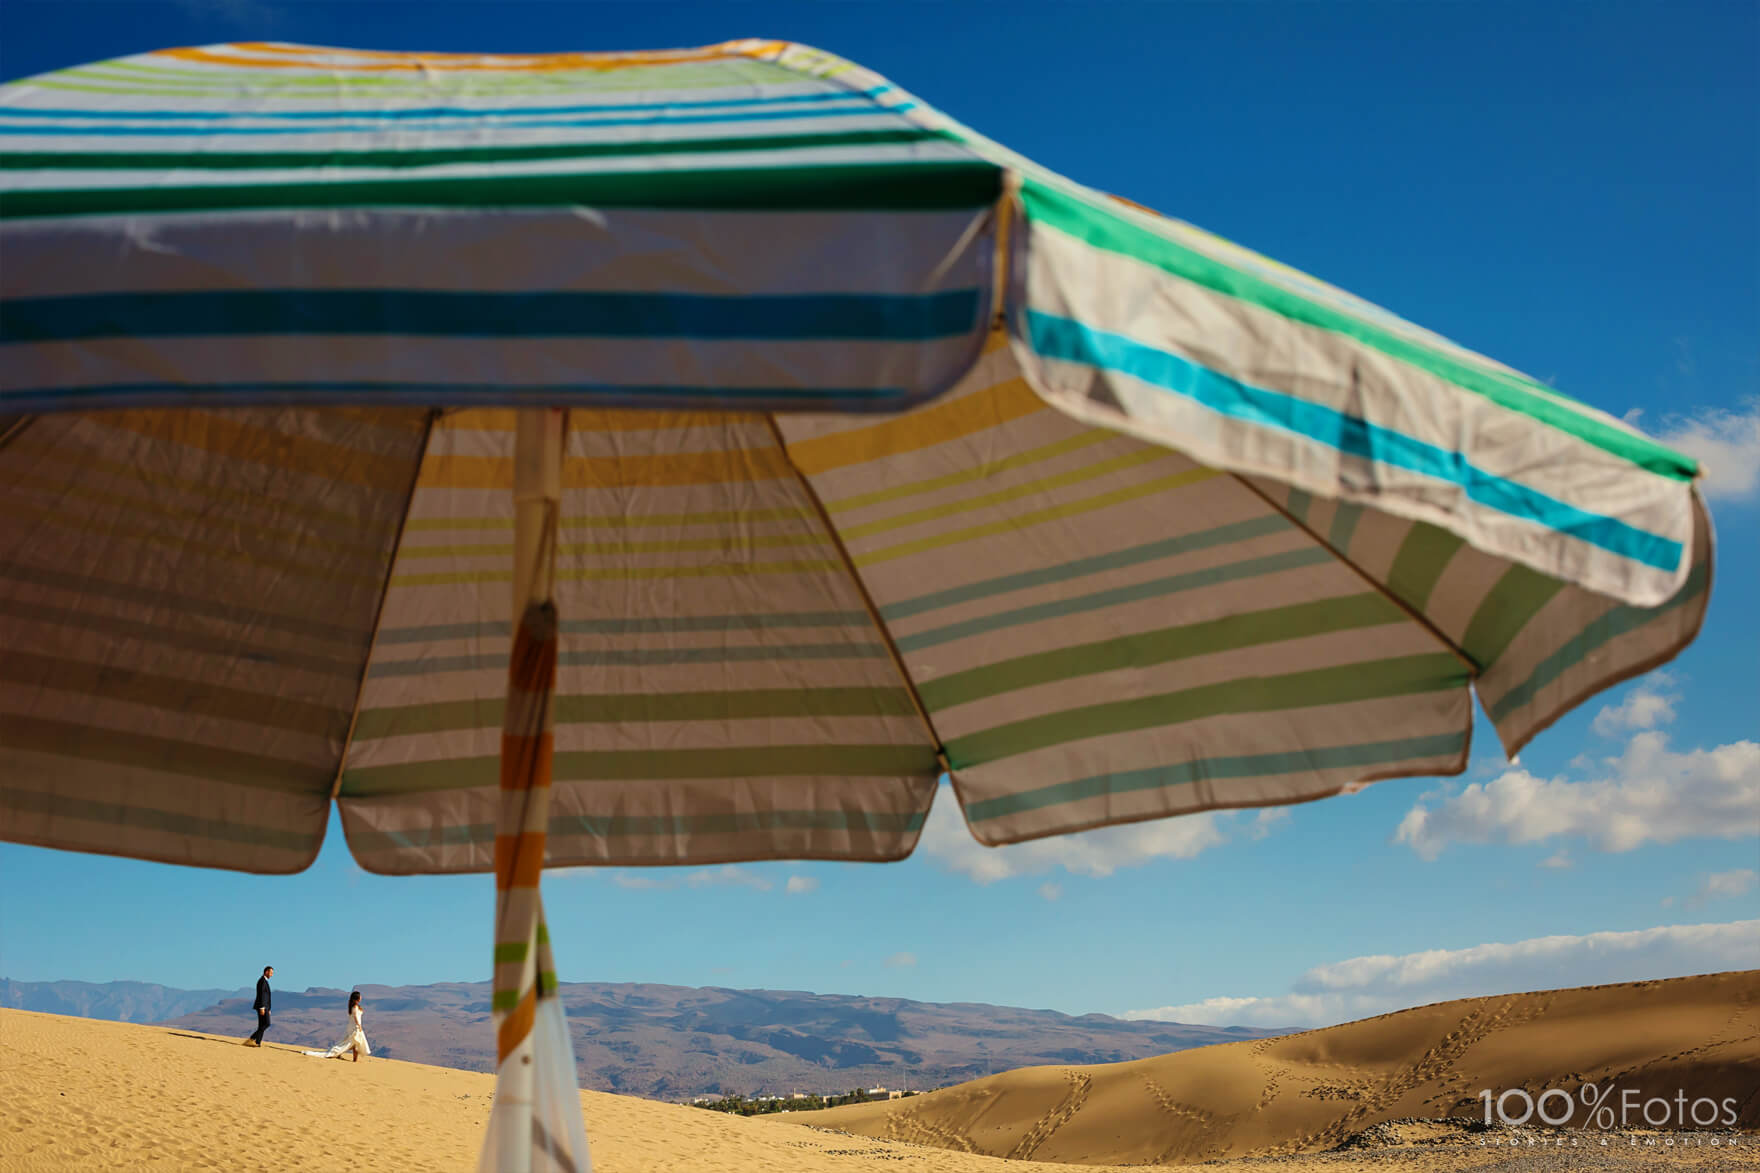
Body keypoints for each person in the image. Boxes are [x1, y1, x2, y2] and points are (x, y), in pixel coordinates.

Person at [304, 991, 371, 1063]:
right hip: (355, 1027)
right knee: (353, 1043)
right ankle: (346, 1056)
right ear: (357, 998)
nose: (361, 997)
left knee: (354, 1043)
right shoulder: (354, 1007)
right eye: (360, 996)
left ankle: (351, 1058)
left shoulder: (355, 1006)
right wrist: (359, 1025)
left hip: (354, 1026)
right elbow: (355, 1017)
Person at [243, 965, 273, 1047]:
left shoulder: (265, 981)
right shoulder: (262, 981)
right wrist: (262, 1007)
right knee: (267, 1023)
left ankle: (257, 1042)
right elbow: (262, 995)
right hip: (262, 1007)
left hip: (265, 1007)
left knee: (261, 1025)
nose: (271, 974)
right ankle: (252, 1039)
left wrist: (269, 1008)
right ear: (266, 972)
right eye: (270, 972)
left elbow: (267, 996)